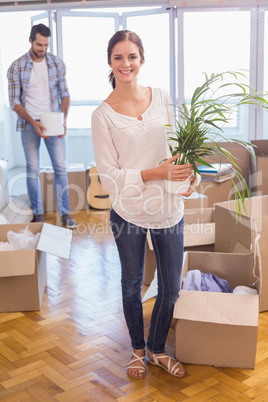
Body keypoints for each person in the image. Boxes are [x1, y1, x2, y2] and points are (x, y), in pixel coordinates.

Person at [91, 30, 200, 379]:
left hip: (168, 208)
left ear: (142, 59)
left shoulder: (164, 98)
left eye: (132, 56)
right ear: (110, 62)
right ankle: (137, 351)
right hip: (129, 211)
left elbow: (181, 151)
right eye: (119, 57)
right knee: (131, 285)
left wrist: (188, 178)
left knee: (171, 289)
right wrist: (155, 173)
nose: (126, 64)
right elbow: (109, 176)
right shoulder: (102, 115)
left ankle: (156, 350)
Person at [7, 23, 77, 229]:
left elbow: (65, 95)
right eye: (39, 44)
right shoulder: (16, 66)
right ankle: (38, 214)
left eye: (46, 45)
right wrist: (33, 123)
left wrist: (63, 120)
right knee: (32, 169)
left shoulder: (57, 63)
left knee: (61, 168)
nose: (43, 49)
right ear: (30, 40)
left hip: (52, 121)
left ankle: (65, 214)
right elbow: (14, 102)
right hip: (29, 123)